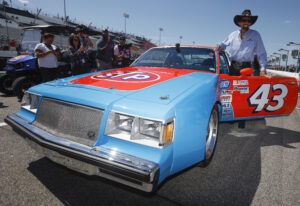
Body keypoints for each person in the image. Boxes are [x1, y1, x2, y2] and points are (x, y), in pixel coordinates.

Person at [216, 10, 267, 76]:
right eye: (244, 20)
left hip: (247, 68)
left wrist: (263, 69)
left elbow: (261, 53)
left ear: (250, 23)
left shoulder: (256, 35)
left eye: (249, 21)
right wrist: (219, 46)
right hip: (233, 67)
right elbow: (223, 44)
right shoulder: (233, 35)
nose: (246, 22)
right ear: (239, 22)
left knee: (246, 86)